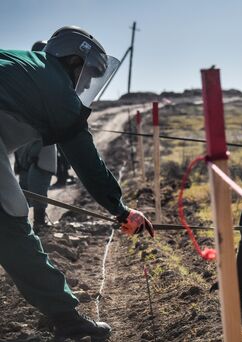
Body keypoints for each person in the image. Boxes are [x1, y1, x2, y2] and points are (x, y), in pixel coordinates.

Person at [0, 26, 154, 341]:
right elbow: (87, 163)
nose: (85, 85)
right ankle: (69, 321)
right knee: (11, 222)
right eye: (88, 75)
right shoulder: (55, 86)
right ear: (73, 61)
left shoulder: (26, 68)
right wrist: (121, 209)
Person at [13, 40, 57, 232]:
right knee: (23, 192)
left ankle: (40, 224)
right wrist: (18, 155)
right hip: (24, 149)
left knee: (38, 189)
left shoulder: (52, 84)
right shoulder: (25, 81)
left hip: (42, 151)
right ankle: (25, 229)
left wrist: (35, 151)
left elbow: (48, 122)